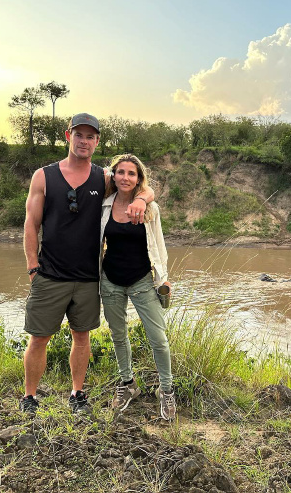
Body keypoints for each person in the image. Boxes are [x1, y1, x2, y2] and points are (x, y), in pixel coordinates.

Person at [20, 113, 154, 416]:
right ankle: (29, 397)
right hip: (50, 273)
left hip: (89, 276)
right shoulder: (44, 176)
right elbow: (31, 224)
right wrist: (32, 266)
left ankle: (77, 393)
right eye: (79, 135)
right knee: (39, 337)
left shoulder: (103, 178)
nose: (84, 141)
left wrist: (143, 200)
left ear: (97, 141)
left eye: (91, 136)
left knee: (82, 337)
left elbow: (141, 186)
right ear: (68, 137)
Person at [99, 154, 176, 421]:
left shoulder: (149, 209)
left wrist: (163, 277)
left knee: (159, 339)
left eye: (131, 174)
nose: (125, 178)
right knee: (118, 335)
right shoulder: (105, 205)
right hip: (110, 280)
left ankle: (166, 391)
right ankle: (127, 384)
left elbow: (159, 245)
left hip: (142, 280)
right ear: (113, 175)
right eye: (120, 172)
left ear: (139, 178)